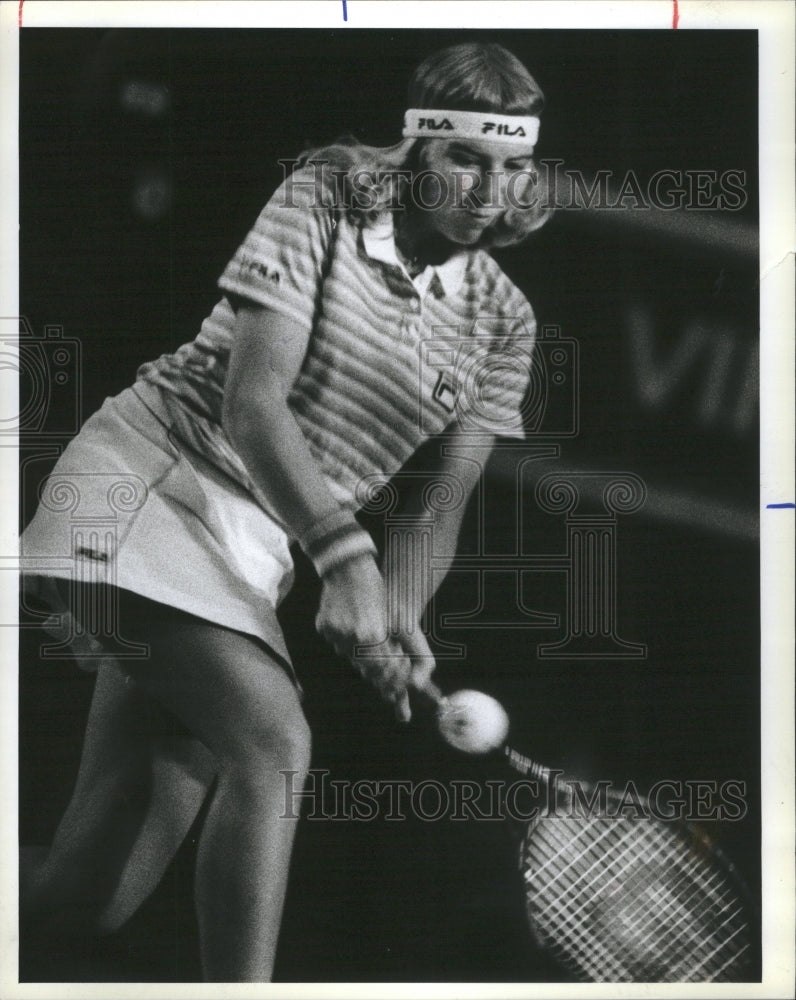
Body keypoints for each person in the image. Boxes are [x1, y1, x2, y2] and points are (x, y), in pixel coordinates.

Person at [19, 41, 550, 982]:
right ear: (417, 150)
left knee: (82, 899)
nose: (487, 190)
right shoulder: (324, 202)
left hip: (250, 554)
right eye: (466, 158)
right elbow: (251, 403)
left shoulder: (506, 321)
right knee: (274, 744)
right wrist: (346, 564)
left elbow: (439, 509)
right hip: (146, 478)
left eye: (511, 167)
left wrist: (397, 615)